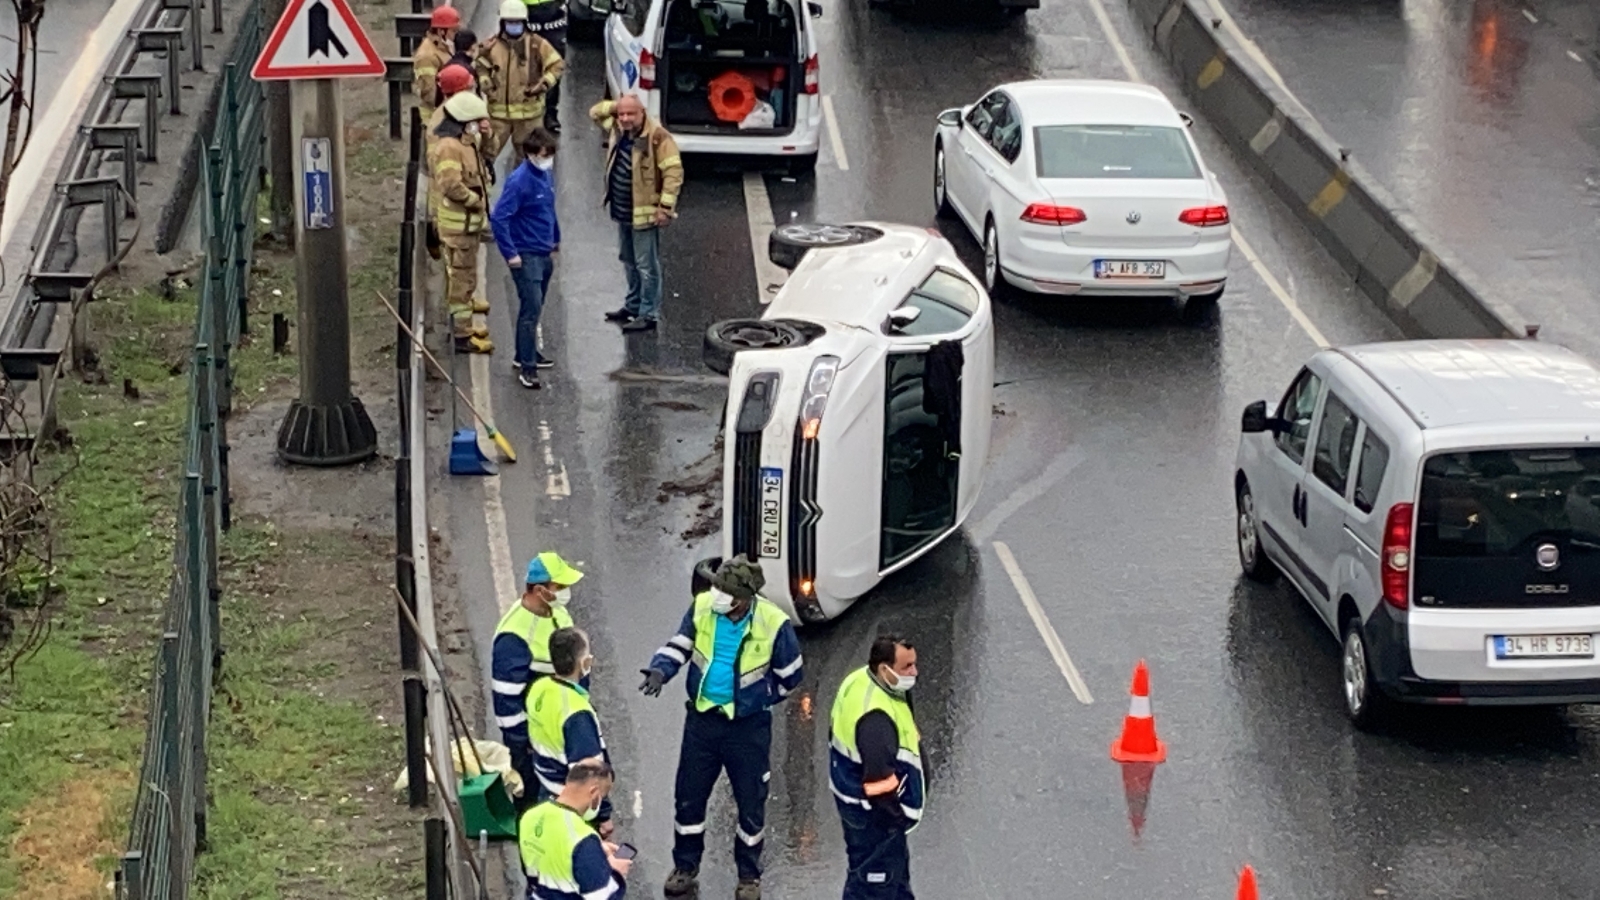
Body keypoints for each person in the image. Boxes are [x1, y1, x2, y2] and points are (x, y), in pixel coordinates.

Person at [638, 555, 803, 900]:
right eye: (716, 587)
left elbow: (790, 678)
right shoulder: (702, 608)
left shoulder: (774, 623)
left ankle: (748, 876)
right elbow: (680, 644)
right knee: (689, 798)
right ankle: (685, 867)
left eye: (724, 590)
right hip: (702, 723)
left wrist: (757, 700)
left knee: (750, 804)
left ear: (743, 597)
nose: (716, 594)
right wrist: (659, 670)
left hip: (747, 729)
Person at [828, 635, 923, 900]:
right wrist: (895, 820)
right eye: (907, 667)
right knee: (873, 885)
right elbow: (879, 784)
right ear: (884, 668)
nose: (914, 672)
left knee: (892, 881)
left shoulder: (859, 680)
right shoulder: (875, 719)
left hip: (856, 805)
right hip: (874, 818)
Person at [493, 552, 586, 798]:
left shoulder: (557, 613)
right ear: (539, 590)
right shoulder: (513, 636)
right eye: (560, 586)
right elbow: (506, 704)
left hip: (560, 729)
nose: (565, 592)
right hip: (534, 744)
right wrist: (524, 746)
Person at [589, 95, 682, 333]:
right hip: (622, 210)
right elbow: (595, 113)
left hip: (644, 214)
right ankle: (632, 306)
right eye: (621, 114)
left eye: (631, 114)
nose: (625, 118)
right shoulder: (619, 130)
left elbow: (673, 173)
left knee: (646, 265)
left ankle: (648, 313)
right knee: (628, 260)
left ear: (643, 113)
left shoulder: (658, 138)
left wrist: (665, 208)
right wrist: (617, 106)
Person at [526, 627, 616, 836]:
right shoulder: (577, 714)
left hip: (547, 789)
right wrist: (604, 815)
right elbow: (589, 774)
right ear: (583, 664)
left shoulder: (539, 688)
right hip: (575, 808)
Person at [490, 129, 561, 389]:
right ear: (530, 154)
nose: (548, 159)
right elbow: (499, 218)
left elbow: (548, 209)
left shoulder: (545, 175)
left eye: (551, 154)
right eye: (544, 155)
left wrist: (555, 237)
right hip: (527, 255)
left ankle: (526, 353)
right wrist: (511, 255)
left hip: (543, 252)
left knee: (537, 305)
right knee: (530, 310)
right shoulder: (519, 182)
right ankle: (527, 368)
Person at [432, 90, 495, 354]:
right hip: (459, 228)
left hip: (467, 226)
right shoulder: (449, 147)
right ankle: (462, 335)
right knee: (462, 280)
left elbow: (488, 151)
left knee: (465, 276)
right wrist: (474, 201)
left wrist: (487, 132)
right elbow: (450, 185)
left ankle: (465, 322)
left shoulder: (465, 142)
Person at [519, 759, 630, 900]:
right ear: (594, 792)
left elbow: (541, 860)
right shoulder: (583, 837)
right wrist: (616, 873)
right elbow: (603, 896)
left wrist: (595, 852)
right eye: (602, 796)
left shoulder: (530, 816)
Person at [475, 0, 565, 169]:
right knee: (484, 158)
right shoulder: (491, 46)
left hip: (528, 118)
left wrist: (545, 83)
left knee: (528, 163)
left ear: (524, 23)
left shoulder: (537, 45)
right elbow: (479, 64)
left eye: (517, 22)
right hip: (499, 117)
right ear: (503, 23)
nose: (513, 26)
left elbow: (557, 65)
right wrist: (485, 81)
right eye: (510, 22)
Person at [423, 63, 476, 263]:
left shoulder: (455, 114)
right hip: (453, 205)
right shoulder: (445, 121)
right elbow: (447, 175)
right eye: (469, 87)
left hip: (457, 201)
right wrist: (472, 199)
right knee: (456, 260)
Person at [523, 0, 569, 133]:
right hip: (529, 23)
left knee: (554, 70)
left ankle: (550, 112)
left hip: (554, 24)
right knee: (527, 71)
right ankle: (528, 113)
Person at [412, 5, 460, 122]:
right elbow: (429, 93)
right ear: (441, 31)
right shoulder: (427, 56)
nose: (456, 34)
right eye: (453, 31)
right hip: (434, 117)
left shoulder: (441, 47)